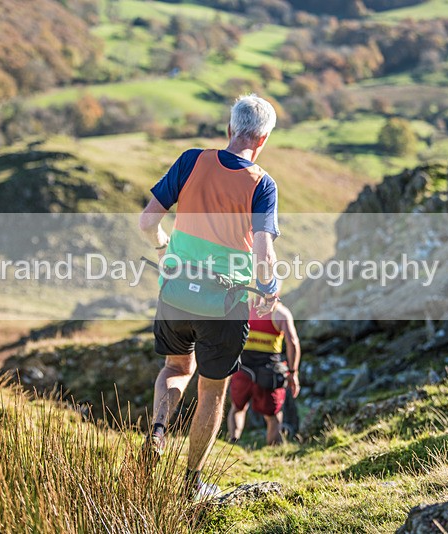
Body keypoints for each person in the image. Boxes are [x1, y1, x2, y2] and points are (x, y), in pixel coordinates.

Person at [138, 94, 282, 500]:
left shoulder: (191, 161)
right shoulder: (262, 184)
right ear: (263, 139)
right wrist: (269, 288)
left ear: (230, 128)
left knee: (175, 367)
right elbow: (264, 254)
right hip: (224, 303)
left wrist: (163, 248)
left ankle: (158, 431)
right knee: (213, 391)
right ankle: (191, 483)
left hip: (175, 293)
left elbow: (147, 221)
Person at [227, 300, 300, 446]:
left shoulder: (244, 306)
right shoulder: (281, 313)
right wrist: (293, 373)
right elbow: (292, 342)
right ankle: (272, 450)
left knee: (237, 408)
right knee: (273, 415)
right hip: (269, 373)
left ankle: (233, 443)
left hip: (243, 368)